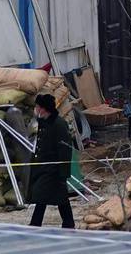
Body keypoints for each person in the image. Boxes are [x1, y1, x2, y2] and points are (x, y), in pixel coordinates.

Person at [27, 92, 75, 228]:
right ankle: (67, 223)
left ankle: (37, 224)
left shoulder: (59, 124)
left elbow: (65, 149)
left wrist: (63, 172)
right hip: (43, 167)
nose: (36, 109)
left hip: (54, 169)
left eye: (37, 107)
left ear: (43, 108)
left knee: (46, 195)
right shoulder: (43, 122)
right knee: (54, 196)